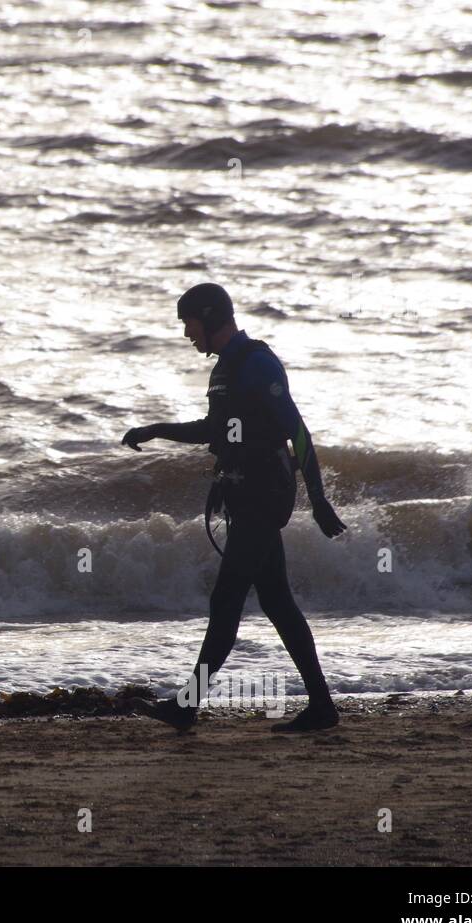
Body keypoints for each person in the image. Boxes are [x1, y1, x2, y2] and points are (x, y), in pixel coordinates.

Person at [122, 282, 346, 733]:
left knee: (226, 600)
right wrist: (156, 429)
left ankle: (186, 707)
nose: (187, 333)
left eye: (189, 323)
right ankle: (322, 707)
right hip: (246, 498)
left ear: (209, 317)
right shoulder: (225, 367)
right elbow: (214, 429)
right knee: (278, 602)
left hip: (264, 498)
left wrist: (318, 500)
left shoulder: (257, 363)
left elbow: (297, 432)